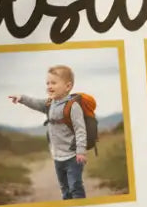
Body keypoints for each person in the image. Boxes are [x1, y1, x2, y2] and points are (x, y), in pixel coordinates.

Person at [8, 64, 88, 199]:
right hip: (57, 157)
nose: (49, 86)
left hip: (73, 157)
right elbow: (35, 102)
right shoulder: (49, 104)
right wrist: (21, 98)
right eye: (48, 83)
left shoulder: (72, 106)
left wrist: (81, 151)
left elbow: (80, 130)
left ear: (68, 86)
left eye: (54, 83)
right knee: (65, 189)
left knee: (75, 187)